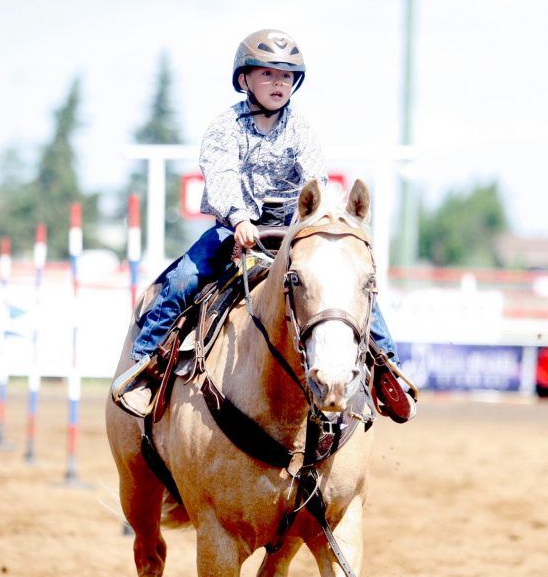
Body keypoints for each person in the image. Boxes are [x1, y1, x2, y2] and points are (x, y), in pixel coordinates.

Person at [111, 28, 415, 423]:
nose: (278, 83)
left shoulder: (301, 130)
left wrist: (307, 222)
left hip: (291, 229)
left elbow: (314, 183)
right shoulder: (226, 128)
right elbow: (220, 177)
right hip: (234, 227)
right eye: (268, 74)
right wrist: (239, 218)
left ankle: (383, 368)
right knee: (184, 278)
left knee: (347, 283)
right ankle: (146, 365)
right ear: (244, 80)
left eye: (286, 76)